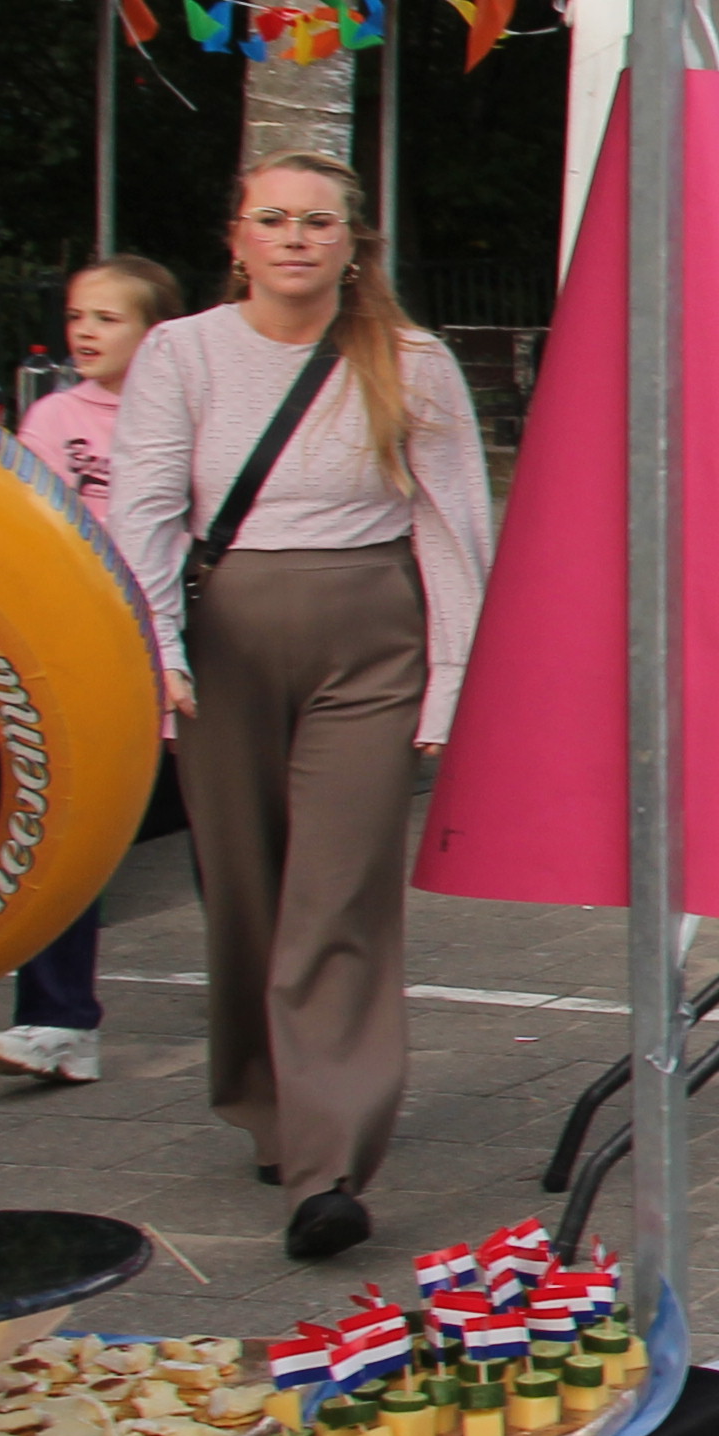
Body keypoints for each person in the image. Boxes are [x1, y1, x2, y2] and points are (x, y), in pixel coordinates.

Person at [110, 155, 496, 1256]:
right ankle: (266, 1098)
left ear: (353, 243)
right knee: (245, 890)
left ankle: (329, 1165)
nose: (294, 237)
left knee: (338, 896)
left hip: (369, 639)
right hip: (223, 639)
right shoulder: (182, 353)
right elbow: (145, 507)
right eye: (273, 219)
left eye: (318, 221)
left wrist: (453, 678)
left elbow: (453, 523)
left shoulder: (411, 361)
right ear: (237, 240)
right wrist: (155, 647)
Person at [0, 256, 184, 1085]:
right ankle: (56, 1023)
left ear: (157, 334)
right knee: (71, 840)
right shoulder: (54, 416)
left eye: (108, 317)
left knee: (233, 849)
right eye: (76, 316)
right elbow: (38, 529)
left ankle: (274, 1013)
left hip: (185, 658)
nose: (85, 332)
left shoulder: (192, 411)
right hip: (94, 659)